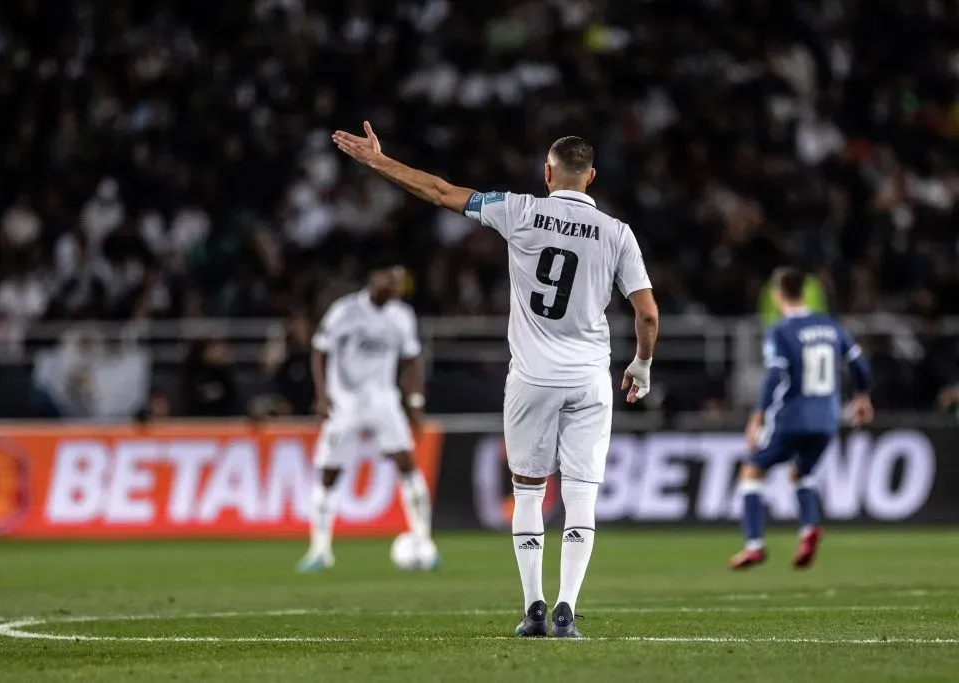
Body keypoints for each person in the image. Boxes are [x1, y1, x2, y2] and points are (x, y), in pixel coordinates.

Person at [332, 124, 658, 638]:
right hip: (590, 380)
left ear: (547, 173)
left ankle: (533, 607)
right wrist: (640, 364)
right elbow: (647, 314)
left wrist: (379, 162)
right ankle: (567, 608)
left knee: (528, 495)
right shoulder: (618, 233)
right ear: (591, 177)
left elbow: (439, 190)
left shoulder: (519, 210)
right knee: (581, 498)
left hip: (531, 379)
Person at [731, 267, 874, 571]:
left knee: (751, 473)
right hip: (826, 420)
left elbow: (774, 376)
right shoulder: (831, 326)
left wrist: (757, 416)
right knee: (802, 472)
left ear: (778, 293)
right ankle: (809, 527)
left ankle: (754, 545)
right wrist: (862, 397)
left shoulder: (781, 331)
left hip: (791, 418)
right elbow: (859, 364)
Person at [297, 259, 432, 573]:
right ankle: (319, 550)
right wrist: (321, 395)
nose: (395, 284)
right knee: (330, 473)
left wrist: (414, 400)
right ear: (374, 277)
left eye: (400, 280)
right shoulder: (345, 311)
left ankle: (424, 540)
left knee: (407, 463)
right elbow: (319, 350)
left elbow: (413, 359)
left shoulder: (402, 315)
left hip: (383, 400)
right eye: (391, 277)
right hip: (345, 402)